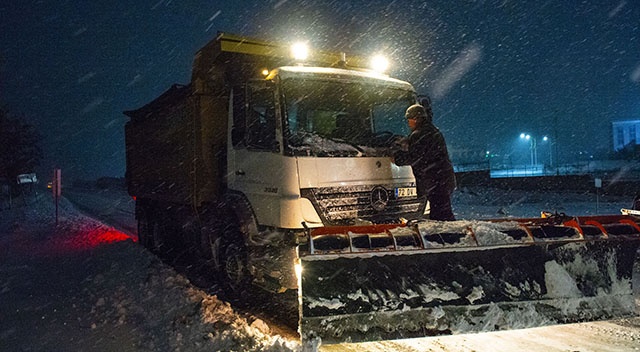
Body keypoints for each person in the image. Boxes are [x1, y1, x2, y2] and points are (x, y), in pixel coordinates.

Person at [393, 101, 456, 221]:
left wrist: (396, 157)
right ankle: (450, 235)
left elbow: (415, 157)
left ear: (416, 119)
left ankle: (445, 237)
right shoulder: (433, 131)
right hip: (443, 180)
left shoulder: (419, 134)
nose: (408, 122)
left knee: (439, 216)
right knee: (444, 212)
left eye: (409, 119)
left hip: (434, 181)